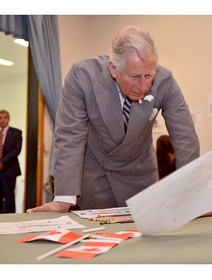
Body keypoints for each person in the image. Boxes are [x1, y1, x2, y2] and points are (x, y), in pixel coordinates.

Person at [27, 25, 199, 213]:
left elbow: (185, 136)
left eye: (148, 76)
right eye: (134, 76)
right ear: (113, 68)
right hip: (96, 176)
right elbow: (70, 135)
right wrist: (63, 199)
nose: (143, 86)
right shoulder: (82, 77)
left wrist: (189, 191)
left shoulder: (164, 80)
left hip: (140, 178)